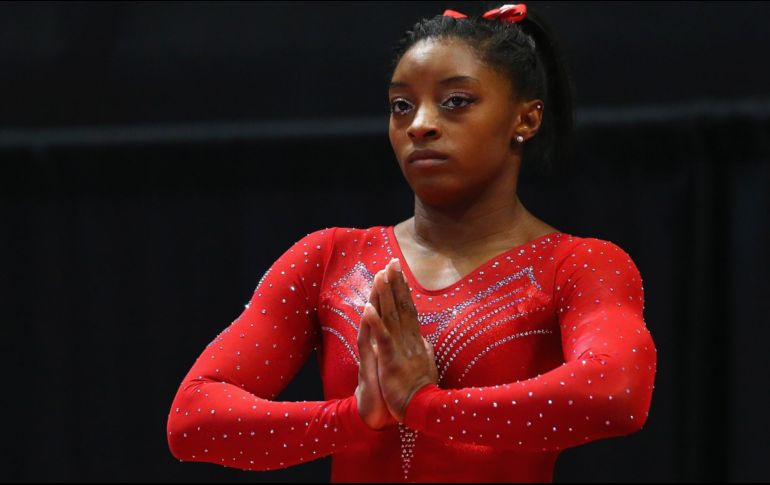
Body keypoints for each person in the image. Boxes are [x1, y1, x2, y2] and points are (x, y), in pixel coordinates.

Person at [166, 3, 657, 482]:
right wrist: (354, 417)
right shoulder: (330, 259)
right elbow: (192, 418)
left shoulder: (578, 265)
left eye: (455, 101)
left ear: (525, 120)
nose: (419, 123)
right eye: (402, 105)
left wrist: (424, 405)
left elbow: (615, 394)